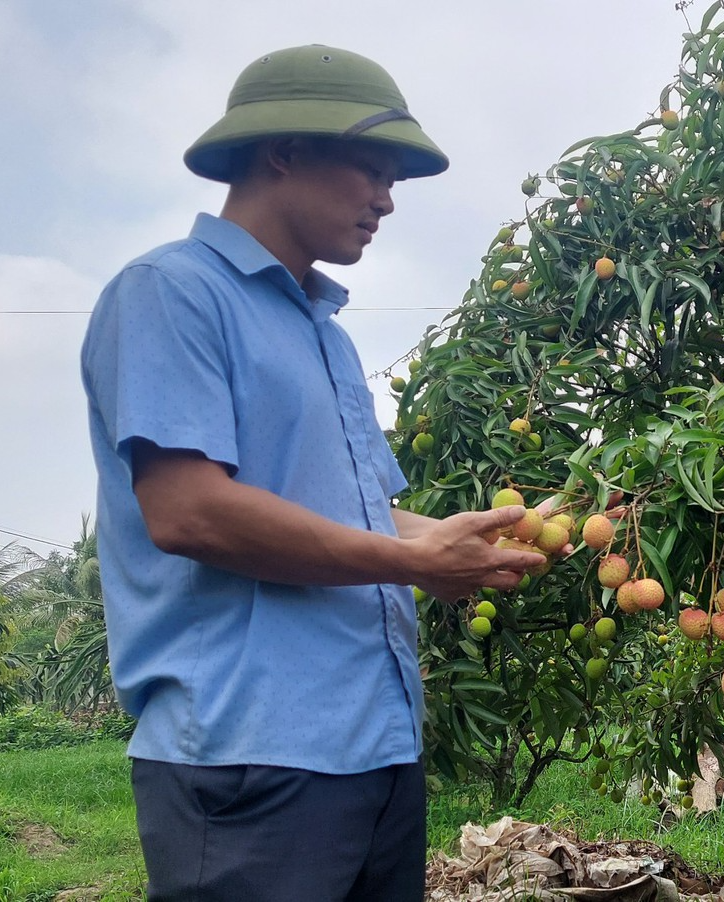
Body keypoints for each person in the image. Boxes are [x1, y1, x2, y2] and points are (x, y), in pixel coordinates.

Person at [79, 45, 538, 901]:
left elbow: (362, 509)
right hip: (247, 757)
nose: (386, 201)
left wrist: (451, 538)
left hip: (378, 747)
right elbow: (190, 513)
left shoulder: (324, 331)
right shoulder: (171, 293)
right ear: (281, 152)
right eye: (372, 168)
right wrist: (413, 562)